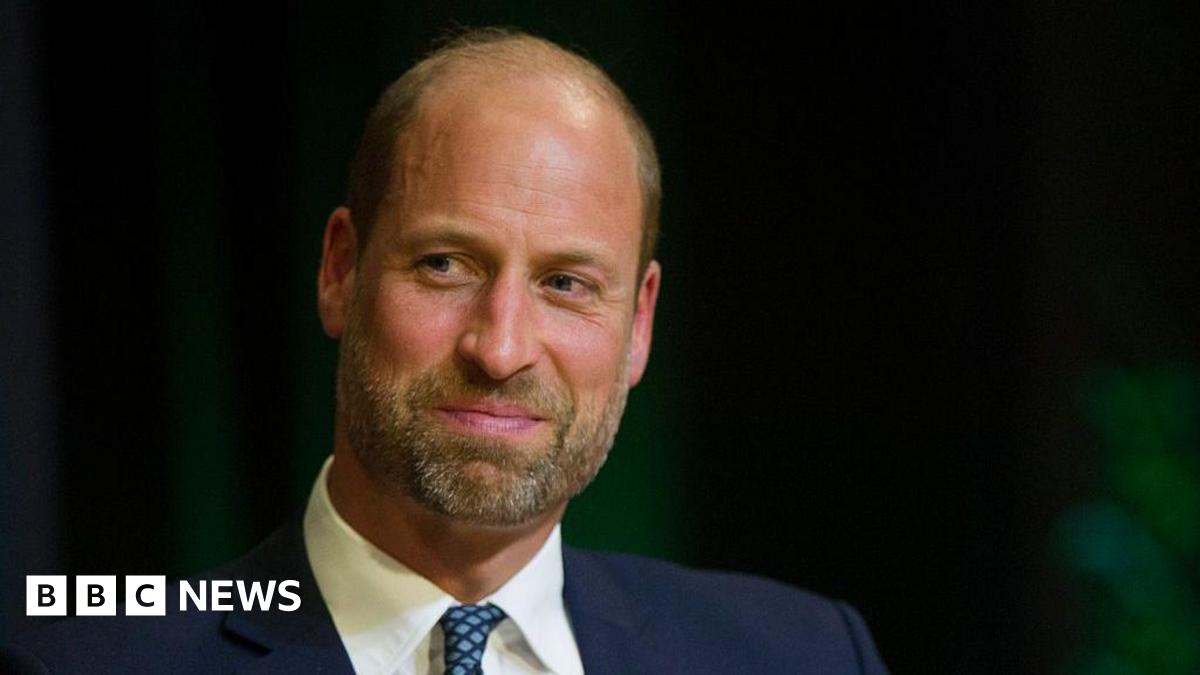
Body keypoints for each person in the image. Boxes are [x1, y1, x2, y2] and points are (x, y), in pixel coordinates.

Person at [2, 28, 889, 674]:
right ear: (340, 270)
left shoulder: (802, 652)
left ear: (640, 323)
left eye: (567, 284)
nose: (500, 347)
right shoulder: (93, 653)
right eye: (444, 264)